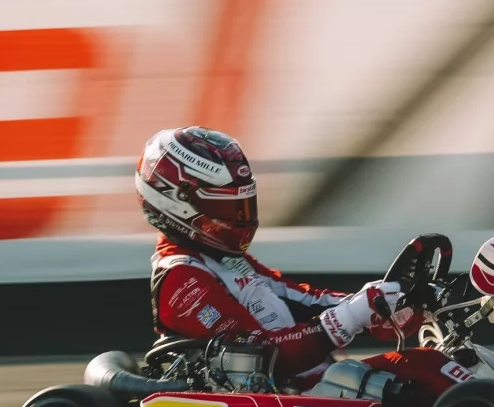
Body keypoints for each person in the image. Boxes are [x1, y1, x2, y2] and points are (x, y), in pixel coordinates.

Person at [132, 125, 419, 389]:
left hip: (311, 391)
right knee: (422, 374)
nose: (241, 220)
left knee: (425, 365)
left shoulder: (226, 261)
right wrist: (348, 318)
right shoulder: (181, 280)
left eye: (243, 206)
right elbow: (257, 355)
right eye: (230, 208)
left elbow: (305, 300)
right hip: (272, 403)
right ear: (177, 202)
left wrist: (377, 303)